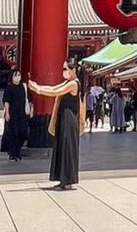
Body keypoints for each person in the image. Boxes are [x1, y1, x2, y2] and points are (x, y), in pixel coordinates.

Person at [29, 59, 84, 190]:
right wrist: (38, 87)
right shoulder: (68, 82)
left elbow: (55, 92)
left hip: (69, 120)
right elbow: (54, 88)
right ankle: (63, 179)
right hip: (64, 118)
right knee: (62, 147)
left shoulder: (74, 84)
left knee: (67, 149)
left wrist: (38, 89)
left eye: (65, 69)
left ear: (73, 70)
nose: (63, 71)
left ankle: (67, 180)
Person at [1, 70, 31, 162]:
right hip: (12, 113)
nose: (17, 77)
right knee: (13, 134)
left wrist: (31, 110)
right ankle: (12, 154)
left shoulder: (24, 87)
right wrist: (7, 113)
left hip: (22, 114)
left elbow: (29, 99)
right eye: (15, 75)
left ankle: (18, 150)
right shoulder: (9, 88)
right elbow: (6, 101)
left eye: (19, 75)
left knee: (23, 133)